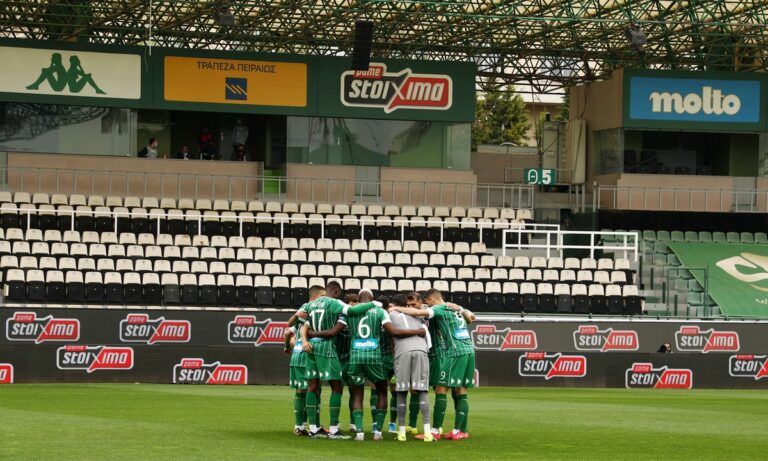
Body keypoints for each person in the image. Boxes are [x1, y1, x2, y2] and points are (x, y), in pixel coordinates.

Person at [305, 289, 425, 442]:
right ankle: (377, 432)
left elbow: (335, 331)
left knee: (357, 393)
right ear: (372, 298)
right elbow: (392, 331)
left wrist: (312, 334)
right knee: (382, 391)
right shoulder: (379, 312)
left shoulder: (350, 313)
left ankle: (360, 432)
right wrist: (417, 331)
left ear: (359, 299)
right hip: (374, 357)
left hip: (355, 357)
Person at [298, 281, 382, 439]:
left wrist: (304, 340)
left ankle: (314, 428)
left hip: (310, 348)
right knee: (337, 387)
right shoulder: (334, 303)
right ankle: (334, 429)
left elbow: (304, 326)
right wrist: (373, 304)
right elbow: (352, 309)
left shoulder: (311, 304)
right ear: (336, 292)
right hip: (326, 348)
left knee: (312, 387)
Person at [391, 289, 476, 441]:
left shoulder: (438, 308)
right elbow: (472, 318)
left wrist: (396, 308)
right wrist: (461, 309)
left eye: (427, 302)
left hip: (454, 352)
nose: (426, 305)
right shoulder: (455, 308)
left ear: (431, 299)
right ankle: (460, 431)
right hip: (469, 349)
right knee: (460, 389)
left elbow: (418, 314)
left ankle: (435, 430)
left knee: (441, 388)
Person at [388, 293, 434, 442]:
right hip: (421, 350)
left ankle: (401, 432)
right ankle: (427, 432)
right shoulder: (418, 316)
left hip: (403, 352)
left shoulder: (390, 314)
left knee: (401, 391)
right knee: (422, 390)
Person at [283, 285, 325, 436]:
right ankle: (310, 426)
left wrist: (287, 347)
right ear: (314, 297)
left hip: (298, 354)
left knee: (304, 390)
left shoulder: (304, 313)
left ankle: (301, 426)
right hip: (307, 354)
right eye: (322, 296)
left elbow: (288, 332)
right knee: (312, 390)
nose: (324, 300)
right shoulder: (310, 308)